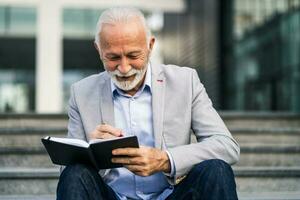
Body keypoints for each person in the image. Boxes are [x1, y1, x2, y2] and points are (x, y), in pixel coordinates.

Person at [57, 7, 240, 200]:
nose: (124, 68)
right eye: (113, 57)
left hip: (173, 195)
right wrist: (92, 150)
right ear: (99, 49)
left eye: (133, 56)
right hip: (111, 196)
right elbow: (68, 173)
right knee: (74, 173)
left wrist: (165, 160)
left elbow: (226, 146)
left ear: (150, 46)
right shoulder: (81, 92)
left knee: (217, 170)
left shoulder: (185, 81)